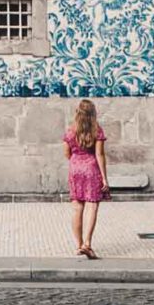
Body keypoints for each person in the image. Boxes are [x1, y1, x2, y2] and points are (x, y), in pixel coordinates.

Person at [63, 99, 109, 259]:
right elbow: (99, 155)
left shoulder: (70, 131)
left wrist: (76, 161)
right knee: (92, 206)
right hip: (91, 169)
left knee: (77, 208)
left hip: (75, 169)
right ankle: (87, 244)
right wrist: (104, 179)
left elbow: (67, 154)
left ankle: (78, 245)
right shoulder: (97, 131)